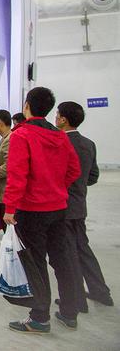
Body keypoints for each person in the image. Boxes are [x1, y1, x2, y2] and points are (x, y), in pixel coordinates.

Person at [2, 86, 81, 333]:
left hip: (32, 210)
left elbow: (17, 175)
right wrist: (56, 187)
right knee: (62, 260)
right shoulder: (60, 136)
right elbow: (74, 170)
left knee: (35, 263)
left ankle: (40, 318)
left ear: (27, 106)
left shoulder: (22, 135)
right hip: (58, 208)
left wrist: (10, 208)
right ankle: (69, 312)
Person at [55, 101, 113, 311]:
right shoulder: (88, 144)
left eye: (57, 115)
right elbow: (93, 176)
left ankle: (76, 300)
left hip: (62, 207)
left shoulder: (58, 143)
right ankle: (100, 291)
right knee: (83, 249)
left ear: (63, 119)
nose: (55, 118)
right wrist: (78, 187)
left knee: (67, 254)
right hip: (79, 205)